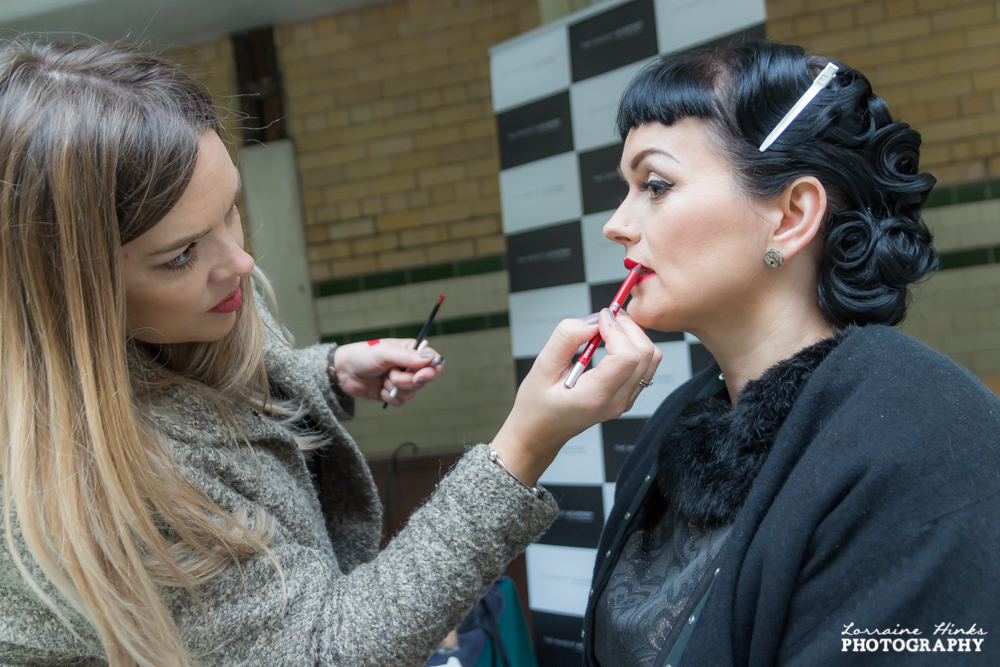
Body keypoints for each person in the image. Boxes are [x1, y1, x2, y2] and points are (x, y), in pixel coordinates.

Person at [0, 41, 663, 666]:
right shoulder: (86, 484)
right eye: (181, 254)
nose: (241, 261)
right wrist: (523, 444)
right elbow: (327, 651)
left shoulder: (195, 297)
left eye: (231, 209)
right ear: (75, 299)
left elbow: (205, 388)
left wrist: (327, 372)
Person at [583, 41, 1000, 666]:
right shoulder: (675, 424)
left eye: (657, 184)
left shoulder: (931, 439)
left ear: (791, 215)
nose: (617, 223)